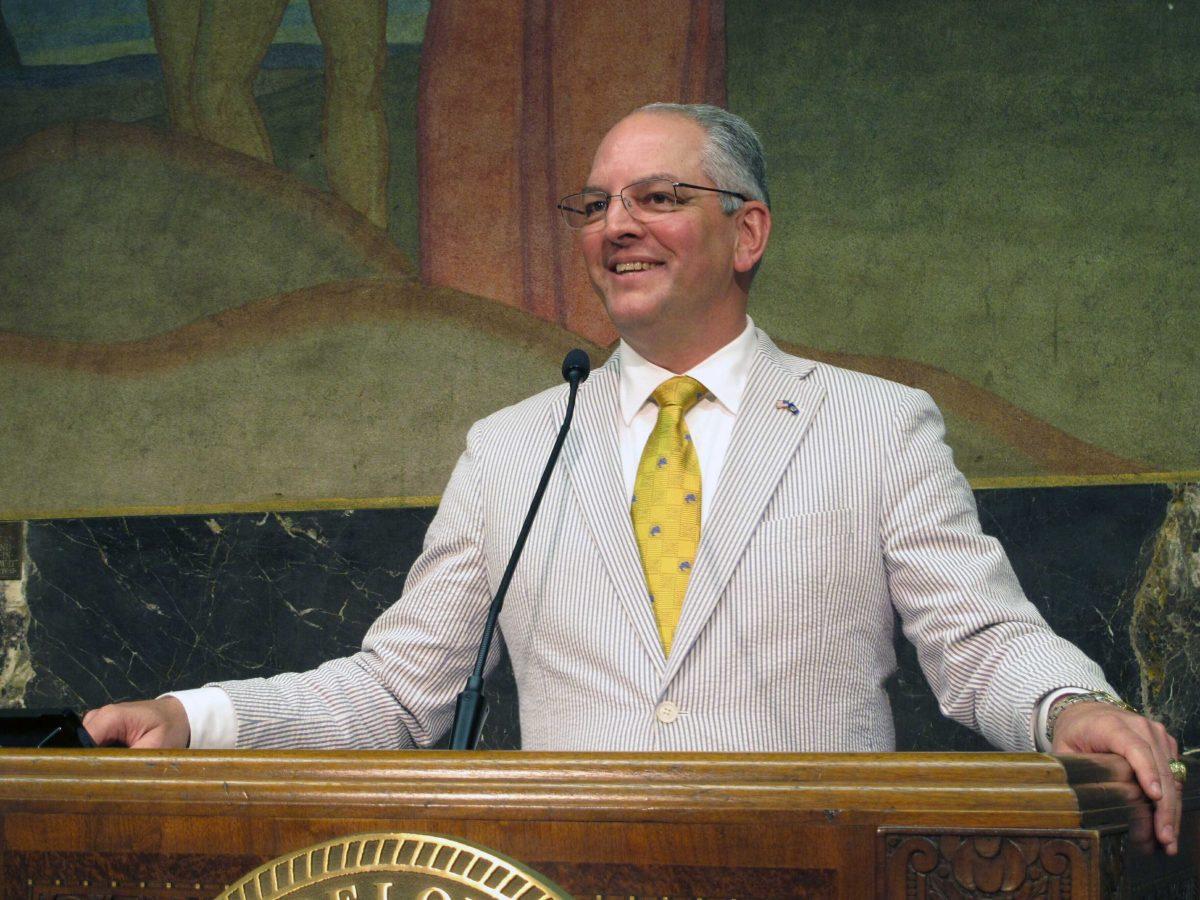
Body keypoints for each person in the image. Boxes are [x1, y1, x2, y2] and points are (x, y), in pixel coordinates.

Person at [84, 102, 1184, 853]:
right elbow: (394, 691)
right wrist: (198, 718)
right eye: (595, 205)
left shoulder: (875, 428)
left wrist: (1069, 705)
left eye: (656, 197)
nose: (616, 227)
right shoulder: (514, 447)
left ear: (746, 230)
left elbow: (980, 642)